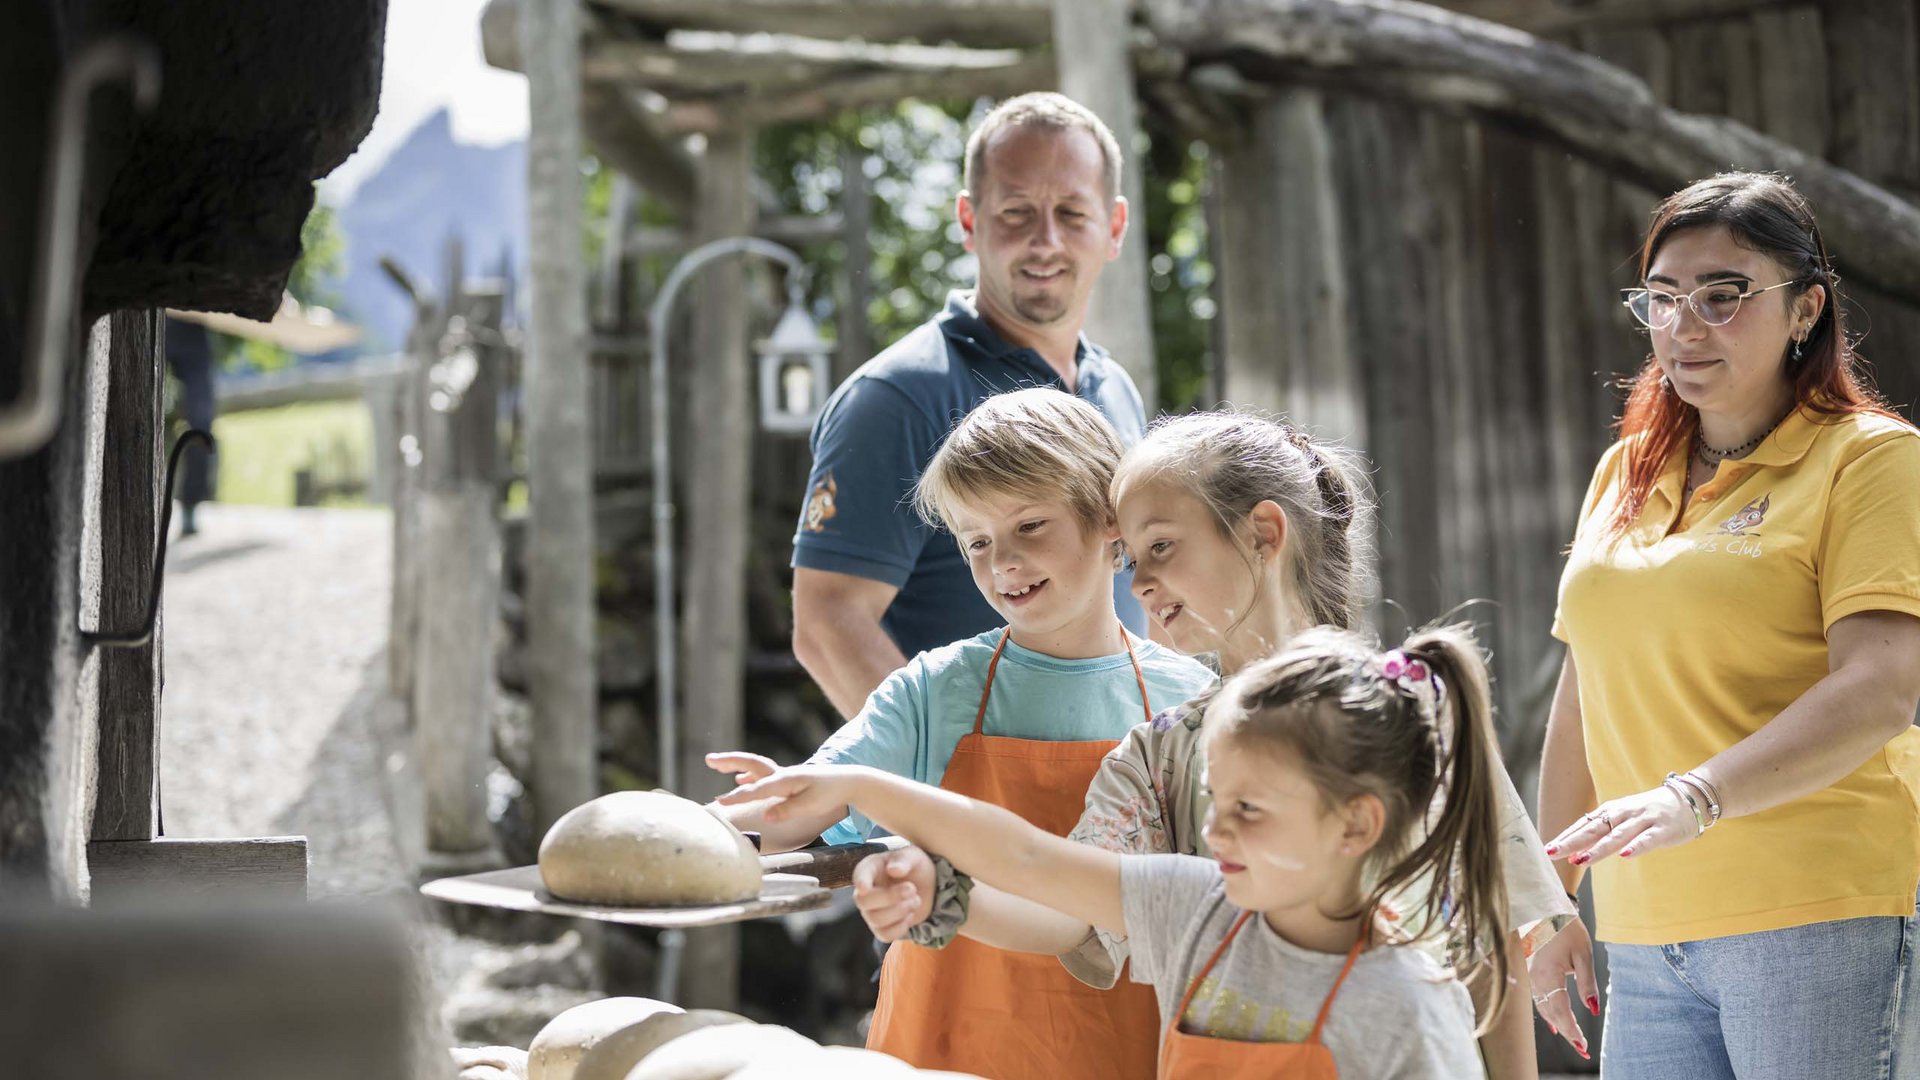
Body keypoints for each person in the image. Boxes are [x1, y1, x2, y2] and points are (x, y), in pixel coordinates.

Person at [846, 411, 1575, 1078]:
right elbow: (1070, 909)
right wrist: (940, 898)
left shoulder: (1413, 709)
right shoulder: (1155, 754)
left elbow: (1492, 949)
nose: (1144, 581)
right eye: (1132, 558)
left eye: (1161, 546)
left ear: (1262, 531)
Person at [722, 626, 1516, 1079]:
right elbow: (1027, 859)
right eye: (1215, 797)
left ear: (1356, 825)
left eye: (1248, 810)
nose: (1216, 830)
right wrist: (860, 785)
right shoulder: (1195, 909)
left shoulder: (1409, 1005)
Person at [1529, 171, 1920, 1078]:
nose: (1684, 326)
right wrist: (1552, 903)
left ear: (1806, 309)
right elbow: (1583, 693)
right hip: (1644, 927)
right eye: (1662, 299)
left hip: (1817, 911)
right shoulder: (1624, 470)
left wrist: (1690, 798)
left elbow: (1881, 690)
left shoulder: (1871, 461)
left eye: (1722, 295)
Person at [715, 389, 1216, 1079]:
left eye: (1030, 525)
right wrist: (679, 834)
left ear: (1108, 518)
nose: (1002, 561)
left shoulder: (1189, 701)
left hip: (1125, 1052)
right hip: (939, 1049)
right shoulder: (934, 690)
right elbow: (795, 812)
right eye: (976, 541)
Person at [791, 92, 1150, 719]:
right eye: (1016, 212)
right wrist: (952, 784)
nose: (1045, 240)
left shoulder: (1115, 389)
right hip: (963, 801)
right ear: (968, 220)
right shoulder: (899, 395)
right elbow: (827, 621)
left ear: (1114, 228)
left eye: (1071, 212)